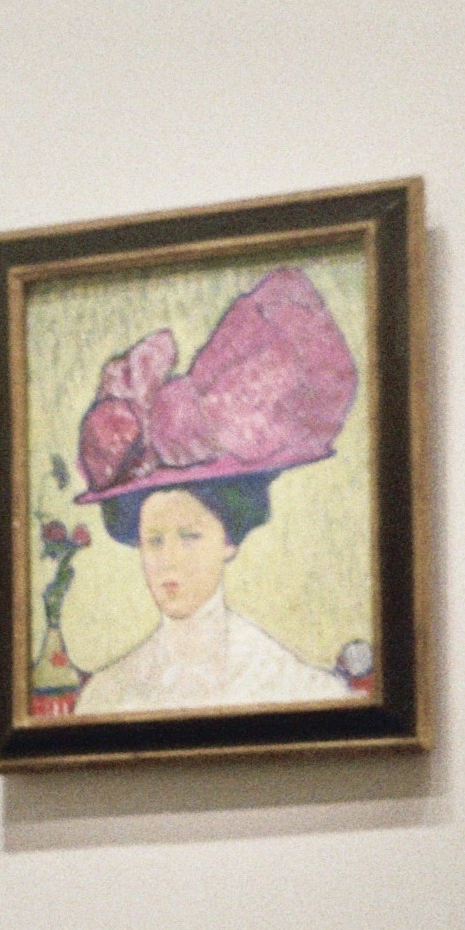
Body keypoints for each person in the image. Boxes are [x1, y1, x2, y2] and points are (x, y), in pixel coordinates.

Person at [68, 267, 362, 715]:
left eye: (189, 537)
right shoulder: (104, 698)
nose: (168, 559)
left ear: (228, 540)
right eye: (154, 540)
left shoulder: (297, 689)